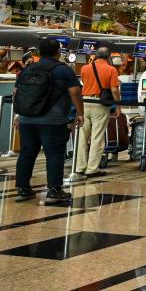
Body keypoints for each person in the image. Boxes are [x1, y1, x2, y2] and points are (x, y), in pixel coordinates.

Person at [14, 37, 84, 205]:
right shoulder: (63, 70)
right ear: (58, 52)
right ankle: (54, 191)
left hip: (27, 119)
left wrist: (18, 115)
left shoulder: (28, 69)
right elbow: (75, 92)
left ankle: (23, 189)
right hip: (53, 120)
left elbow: (17, 92)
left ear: (39, 52)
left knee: (26, 153)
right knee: (54, 155)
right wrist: (80, 113)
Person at [73, 46, 121, 181]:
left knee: (82, 137)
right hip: (100, 105)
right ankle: (92, 169)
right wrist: (118, 105)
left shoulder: (84, 68)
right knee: (97, 137)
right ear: (109, 57)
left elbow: (83, 83)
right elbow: (114, 90)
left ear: (96, 55)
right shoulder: (111, 69)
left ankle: (79, 167)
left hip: (84, 103)